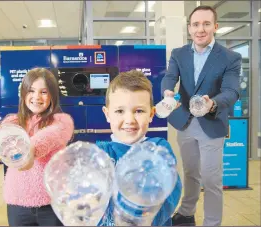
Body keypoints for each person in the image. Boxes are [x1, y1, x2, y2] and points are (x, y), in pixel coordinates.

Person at [161, 5, 242, 226]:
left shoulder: (230, 57)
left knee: (211, 179)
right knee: (190, 172)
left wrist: (213, 103)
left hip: (211, 122)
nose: (201, 29)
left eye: (206, 24)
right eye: (196, 24)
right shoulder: (178, 54)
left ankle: (211, 223)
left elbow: (232, 91)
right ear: (189, 28)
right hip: (185, 123)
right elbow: (169, 78)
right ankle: (187, 212)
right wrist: (167, 91)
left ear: (215, 27)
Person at [0, 68, 74, 226]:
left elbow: (50, 136)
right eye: (31, 91)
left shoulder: (62, 121)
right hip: (18, 204)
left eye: (44, 92)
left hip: (52, 204)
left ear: (52, 95)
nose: (36, 97)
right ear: (24, 93)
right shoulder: (12, 122)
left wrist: (29, 150)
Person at [97, 70, 182, 226]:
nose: (129, 120)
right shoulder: (100, 154)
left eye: (139, 111)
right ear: (107, 114)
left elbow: (171, 192)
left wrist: (143, 222)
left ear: (151, 113)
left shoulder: (158, 149)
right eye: (119, 111)